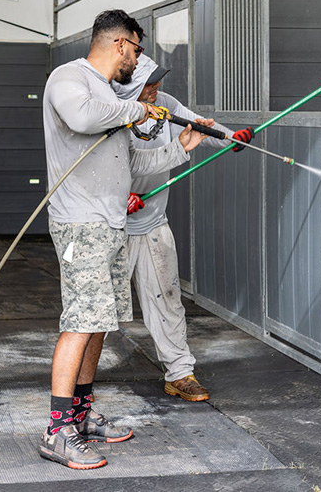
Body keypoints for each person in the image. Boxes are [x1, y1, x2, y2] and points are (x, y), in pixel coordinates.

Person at [40, 9, 211, 470]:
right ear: (120, 44)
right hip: (81, 224)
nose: (137, 61)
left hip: (110, 223)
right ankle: (57, 431)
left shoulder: (109, 95)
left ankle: (80, 415)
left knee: (99, 322)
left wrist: (180, 148)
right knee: (80, 321)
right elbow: (82, 117)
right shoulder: (70, 79)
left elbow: (132, 161)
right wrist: (139, 109)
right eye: (137, 50)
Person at [112, 55, 254, 402]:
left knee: (168, 300)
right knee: (98, 310)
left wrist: (230, 137)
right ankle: (76, 387)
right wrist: (118, 195)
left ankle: (180, 374)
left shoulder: (166, 104)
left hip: (152, 223)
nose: (156, 86)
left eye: (158, 79)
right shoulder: (112, 110)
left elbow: (197, 129)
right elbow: (98, 166)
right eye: (149, 82)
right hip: (112, 228)